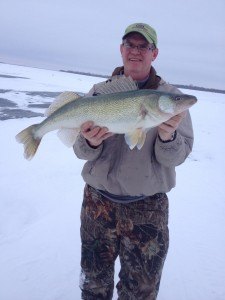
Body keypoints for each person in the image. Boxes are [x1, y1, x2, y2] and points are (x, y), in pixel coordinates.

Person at [73, 23, 194, 300]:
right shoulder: (100, 92)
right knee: (92, 285)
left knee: (140, 292)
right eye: (130, 45)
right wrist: (90, 141)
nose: (136, 52)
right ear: (121, 49)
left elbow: (177, 156)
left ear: (155, 53)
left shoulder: (170, 99)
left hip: (147, 210)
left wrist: (167, 136)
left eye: (144, 46)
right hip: (97, 204)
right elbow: (81, 152)